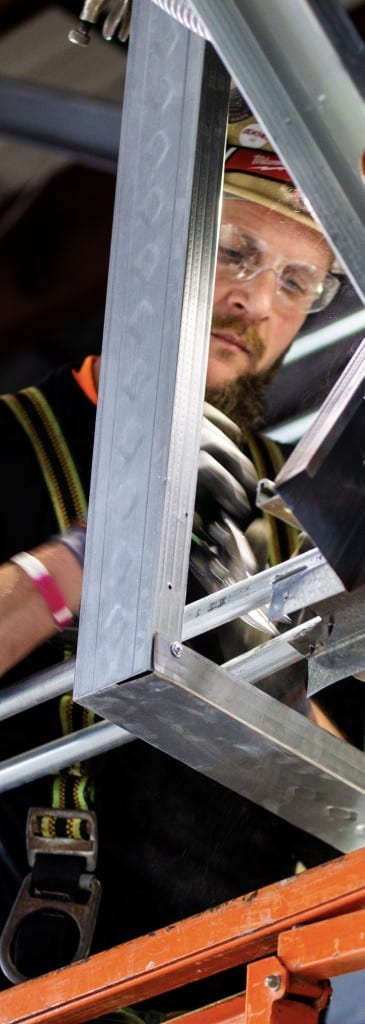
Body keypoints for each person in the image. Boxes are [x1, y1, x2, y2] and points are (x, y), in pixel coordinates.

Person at [0, 101, 346, 1017]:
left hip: (257, 982)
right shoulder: (11, 446)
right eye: (233, 252)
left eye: (297, 282)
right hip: (42, 971)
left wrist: (268, 670)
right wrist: (74, 568)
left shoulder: (309, 515)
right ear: (156, 250)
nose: (256, 301)